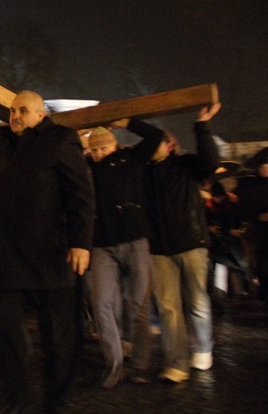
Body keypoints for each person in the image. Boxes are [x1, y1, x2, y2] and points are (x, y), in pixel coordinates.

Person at [0, 89, 94, 413]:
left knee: (58, 339)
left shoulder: (60, 140)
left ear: (41, 114)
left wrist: (81, 242)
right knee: (8, 339)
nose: (15, 115)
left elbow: (80, 193)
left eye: (23, 110)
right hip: (5, 259)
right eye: (12, 111)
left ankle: (56, 402)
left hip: (49, 255)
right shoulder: (0, 140)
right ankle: (17, 401)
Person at [144, 103, 221, 383]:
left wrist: (202, 125)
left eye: (160, 142)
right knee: (168, 307)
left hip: (190, 243)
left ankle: (202, 348)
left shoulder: (186, 165)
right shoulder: (144, 174)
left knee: (197, 301)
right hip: (160, 249)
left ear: (170, 145)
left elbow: (211, 161)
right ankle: (176, 362)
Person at [85, 120, 165, 388]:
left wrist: (129, 122)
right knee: (102, 303)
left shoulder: (131, 158)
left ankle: (140, 363)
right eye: (93, 150)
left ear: (114, 144)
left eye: (102, 148)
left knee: (139, 305)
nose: (98, 154)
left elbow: (155, 135)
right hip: (103, 244)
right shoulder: (86, 167)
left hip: (134, 238)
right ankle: (114, 361)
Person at [238, 157, 268, 311]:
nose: (263, 170)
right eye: (262, 167)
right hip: (262, 235)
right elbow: (246, 209)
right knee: (264, 268)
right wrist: (258, 217)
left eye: (266, 166)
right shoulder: (253, 186)